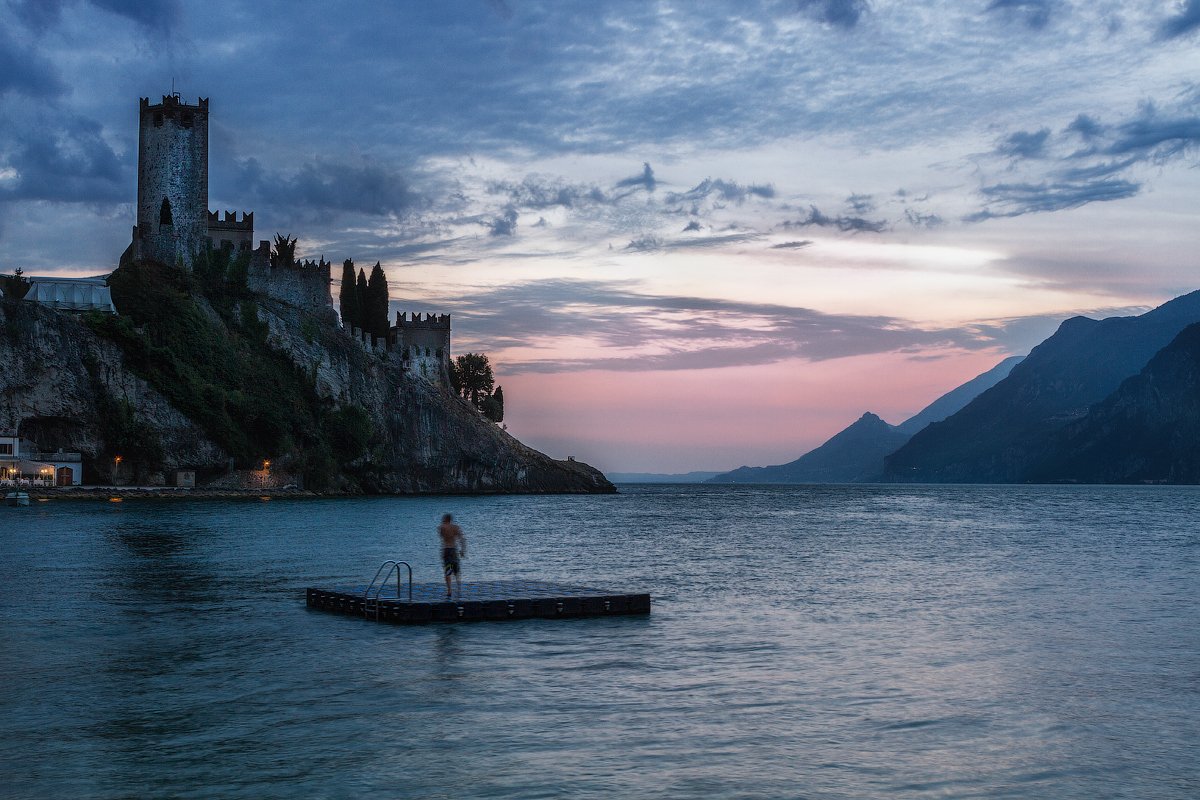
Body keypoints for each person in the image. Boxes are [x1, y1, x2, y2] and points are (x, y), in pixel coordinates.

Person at [438, 513, 467, 599]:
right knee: (456, 570)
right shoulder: (456, 527)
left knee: (448, 570)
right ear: (450, 519)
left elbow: (442, 537)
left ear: (445, 519)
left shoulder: (441, 527)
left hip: (446, 550)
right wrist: (462, 551)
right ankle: (458, 588)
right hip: (454, 550)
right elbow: (462, 539)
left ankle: (449, 590)